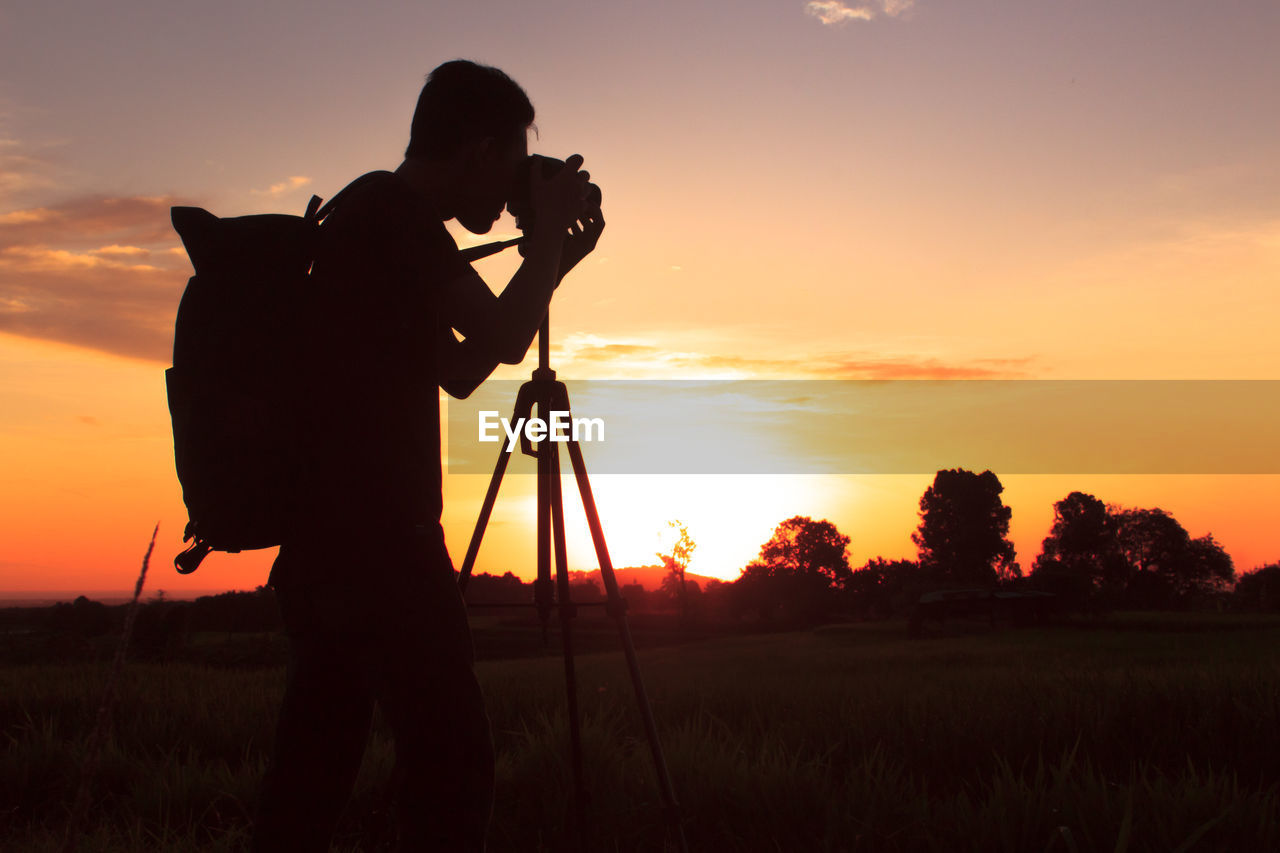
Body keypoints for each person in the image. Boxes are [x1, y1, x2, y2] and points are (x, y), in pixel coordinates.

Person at [252, 59, 604, 852]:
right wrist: (545, 231)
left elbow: (460, 368)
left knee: (310, 781)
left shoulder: (373, 213)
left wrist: (555, 257)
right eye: (513, 164)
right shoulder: (396, 214)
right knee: (453, 766)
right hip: (381, 545)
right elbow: (502, 341)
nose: (513, 188)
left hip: (330, 547)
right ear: (480, 150)